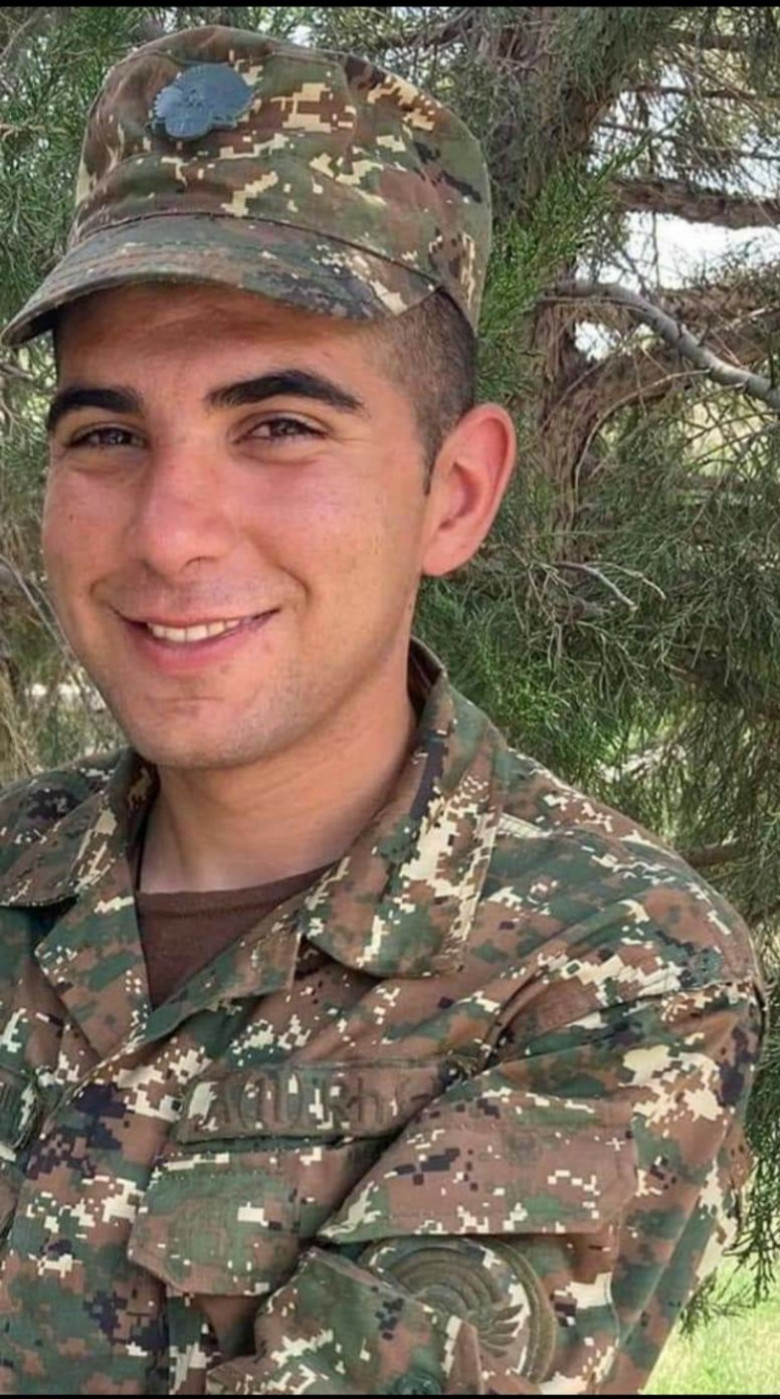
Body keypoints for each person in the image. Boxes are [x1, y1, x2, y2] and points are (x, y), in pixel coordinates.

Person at [0, 23, 764, 1397]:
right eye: (108, 436)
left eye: (279, 428)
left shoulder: (603, 969)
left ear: (454, 495)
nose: (169, 534)